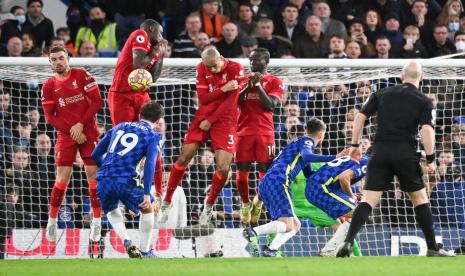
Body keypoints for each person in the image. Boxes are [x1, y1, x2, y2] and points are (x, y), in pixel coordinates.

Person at [336, 61, 455, 257]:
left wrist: (355, 146)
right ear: (421, 78)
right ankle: (433, 247)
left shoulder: (382, 93)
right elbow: (427, 129)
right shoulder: (424, 100)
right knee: (420, 199)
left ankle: (347, 242)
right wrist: (432, 158)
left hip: (380, 151)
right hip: (405, 153)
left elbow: (360, 116)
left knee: (368, 200)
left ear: (401, 76)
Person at [159, 46, 247, 225]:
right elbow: (203, 99)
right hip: (203, 117)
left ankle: (208, 206)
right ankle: (166, 201)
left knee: (223, 168)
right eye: (209, 67)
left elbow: (231, 103)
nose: (212, 70)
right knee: (184, 158)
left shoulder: (236, 68)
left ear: (221, 57)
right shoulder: (201, 67)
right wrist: (223, 89)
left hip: (226, 121)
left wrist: (212, 119)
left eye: (215, 66)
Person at [243, 118, 345, 257]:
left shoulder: (297, 147)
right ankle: (253, 232)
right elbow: (308, 156)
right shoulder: (306, 141)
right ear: (321, 135)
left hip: (268, 182)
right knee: (287, 224)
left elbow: (310, 174)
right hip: (279, 181)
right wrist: (335, 157)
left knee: (295, 225)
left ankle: (271, 249)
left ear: (306, 130)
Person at [41, 46, 103, 243]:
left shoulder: (82, 75)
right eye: (54, 59)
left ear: (68, 58)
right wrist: (73, 131)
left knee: (93, 177)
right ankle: (52, 222)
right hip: (67, 134)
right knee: (62, 180)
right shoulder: (48, 86)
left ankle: (96, 221)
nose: (58, 61)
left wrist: (80, 125)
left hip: (88, 131)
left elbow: (97, 102)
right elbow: (50, 117)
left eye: (61, 57)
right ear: (50, 63)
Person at [92, 101, 163, 258]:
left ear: (139, 116)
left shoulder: (119, 126)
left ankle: (126, 242)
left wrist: (108, 171)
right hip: (127, 180)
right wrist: (146, 193)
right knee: (147, 207)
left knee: (111, 209)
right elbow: (151, 163)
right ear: (157, 122)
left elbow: (95, 154)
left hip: (104, 179)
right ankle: (145, 251)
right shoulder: (153, 135)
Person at [108, 19, 166, 202]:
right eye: (160, 33)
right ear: (151, 29)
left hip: (141, 95)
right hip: (122, 95)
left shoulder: (153, 49)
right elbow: (138, 66)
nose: (161, 37)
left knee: (152, 141)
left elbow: (153, 78)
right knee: (124, 143)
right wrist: (156, 51)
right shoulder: (139, 34)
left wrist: (161, 55)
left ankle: (158, 193)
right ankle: (118, 191)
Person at [236, 48, 283, 225]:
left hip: (265, 132)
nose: (253, 64)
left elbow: (271, 106)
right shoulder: (241, 80)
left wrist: (257, 86)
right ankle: (245, 203)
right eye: (251, 60)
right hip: (243, 131)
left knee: (265, 171)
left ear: (266, 62)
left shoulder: (274, 81)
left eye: (258, 60)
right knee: (242, 171)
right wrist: (248, 86)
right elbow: (234, 103)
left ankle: (258, 201)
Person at [305, 154, 368, 256]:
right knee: (359, 212)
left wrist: (350, 196)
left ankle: (333, 249)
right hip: (321, 188)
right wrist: (351, 196)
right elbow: (344, 178)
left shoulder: (357, 157)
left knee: (356, 214)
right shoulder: (367, 162)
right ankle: (329, 250)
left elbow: (337, 178)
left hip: (315, 187)